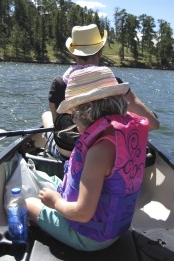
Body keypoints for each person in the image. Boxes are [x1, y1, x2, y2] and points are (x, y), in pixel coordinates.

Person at [26, 66, 149, 251]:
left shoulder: (99, 151)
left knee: (27, 205)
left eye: (74, 115)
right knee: (44, 178)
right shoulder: (118, 135)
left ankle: (40, 224)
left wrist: (56, 203)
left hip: (91, 237)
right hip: (116, 227)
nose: (74, 122)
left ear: (89, 112)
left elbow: (83, 214)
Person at [42, 24, 159, 160]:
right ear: (100, 51)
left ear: (73, 54)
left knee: (46, 116)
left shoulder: (59, 83)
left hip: (66, 151)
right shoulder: (114, 84)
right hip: (105, 155)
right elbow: (153, 124)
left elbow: (58, 124)